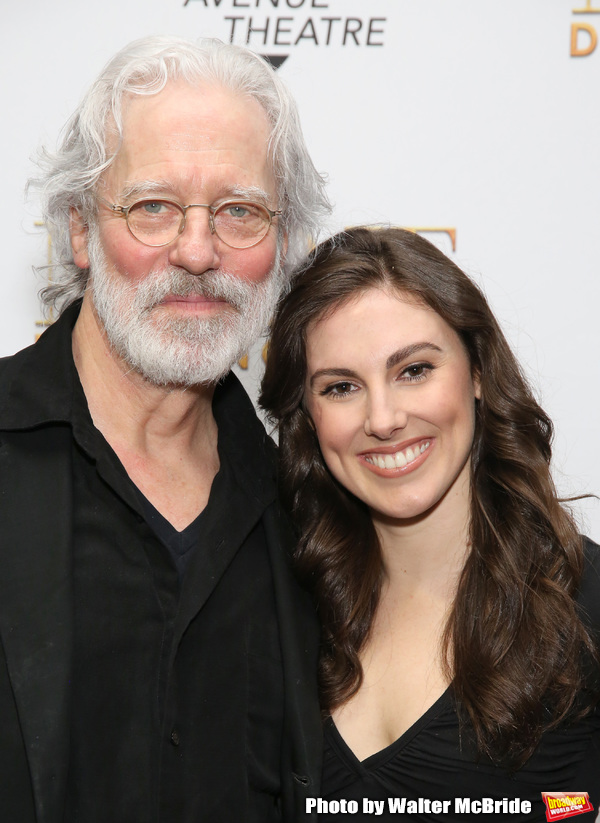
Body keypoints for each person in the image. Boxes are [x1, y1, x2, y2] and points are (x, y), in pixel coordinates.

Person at [0, 35, 330, 823]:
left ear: (282, 244)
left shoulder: (311, 509)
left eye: (239, 211)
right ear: (79, 230)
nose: (196, 250)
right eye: (153, 207)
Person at [260, 227, 600, 821]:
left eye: (414, 370)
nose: (385, 419)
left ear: (475, 372)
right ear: (308, 418)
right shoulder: (283, 607)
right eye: (341, 387)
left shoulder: (587, 602)